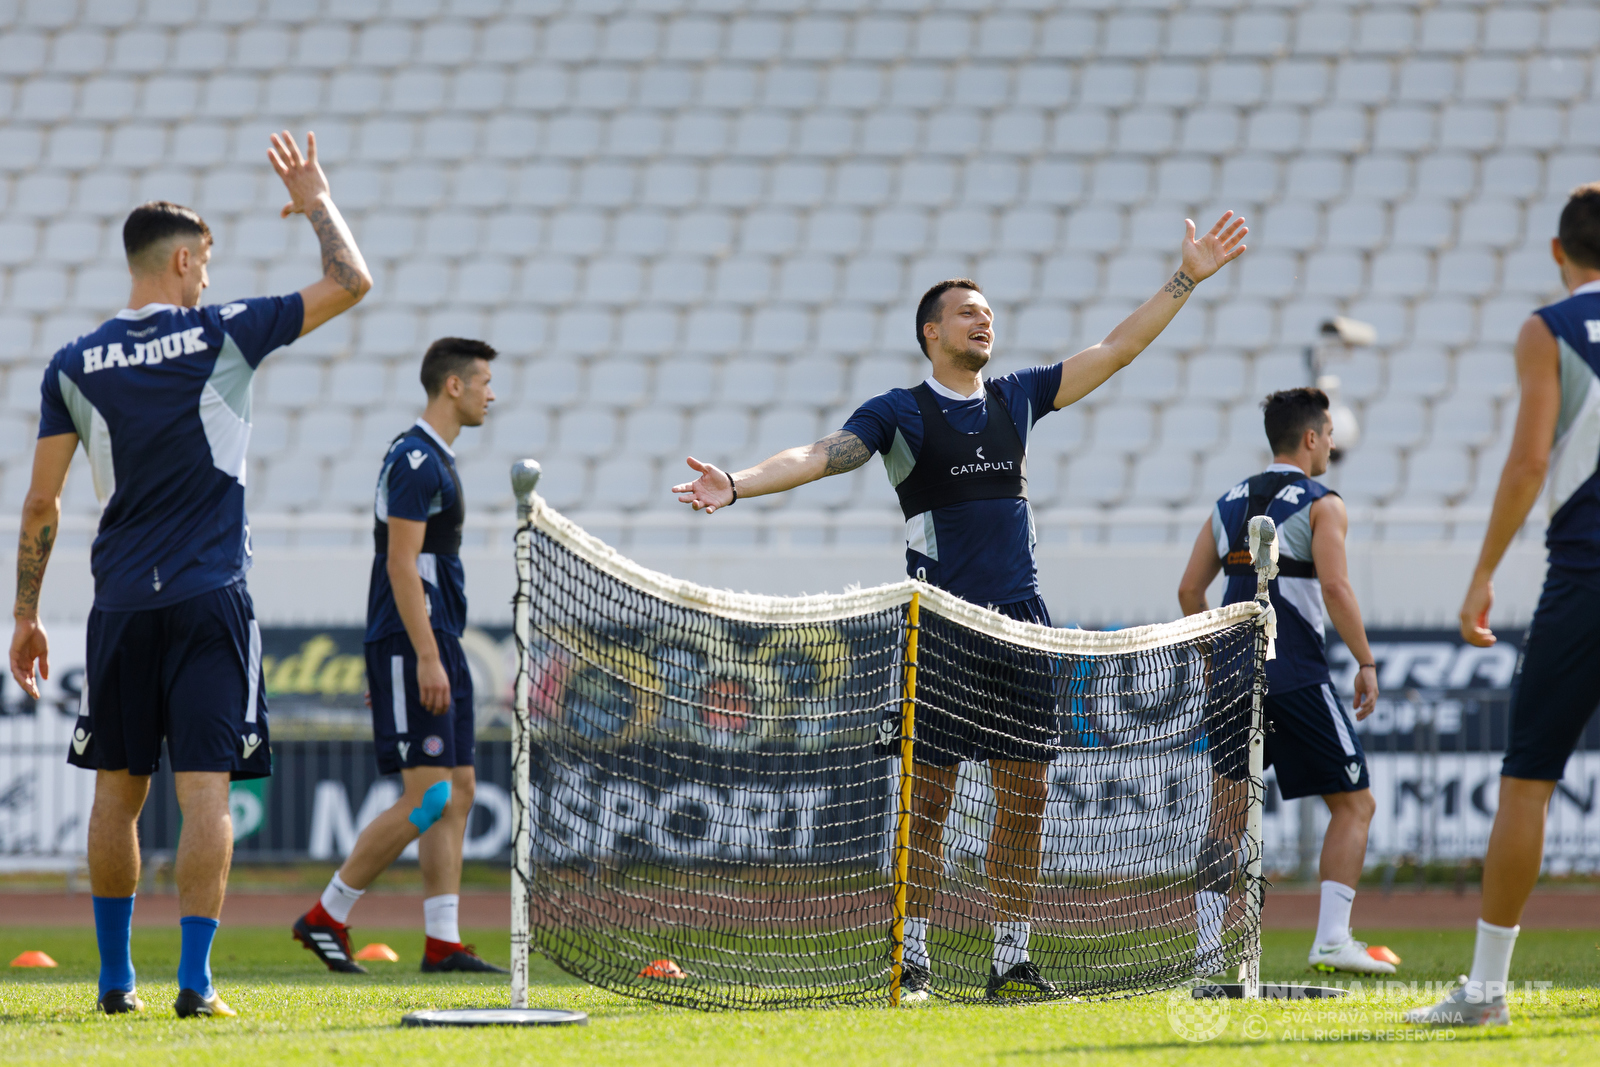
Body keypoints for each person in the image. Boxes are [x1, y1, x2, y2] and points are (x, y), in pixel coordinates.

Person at [674, 212, 1247, 1000]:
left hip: (1021, 627)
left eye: (988, 312)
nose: (984, 320)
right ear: (931, 331)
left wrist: (1186, 278)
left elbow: (1115, 350)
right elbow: (819, 454)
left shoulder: (1016, 400)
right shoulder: (901, 411)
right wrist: (736, 481)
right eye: (967, 311)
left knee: (1026, 799)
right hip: (938, 631)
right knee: (929, 802)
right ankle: (913, 959)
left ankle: (1010, 959)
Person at [8, 132, 371, 1018]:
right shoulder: (223, 333)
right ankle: (197, 982)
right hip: (211, 594)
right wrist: (317, 201)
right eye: (204, 260)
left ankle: (113, 979)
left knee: (116, 792)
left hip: (121, 602)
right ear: (179, 259)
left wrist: (24, 611)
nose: (209, 275)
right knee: (204, 790)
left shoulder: (74, 364)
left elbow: (41, 506)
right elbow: (354, 281)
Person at [1408, 183, 1600, 1028]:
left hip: (1585, 575)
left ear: (1559, 253)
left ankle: (1485, 990)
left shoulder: (1548, 328)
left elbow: (1528, 464)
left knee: (1528, 781)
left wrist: (1483, 571)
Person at [293, 338, 504, 976]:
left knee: (459, 790)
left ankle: (442, 942)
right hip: (422, 643)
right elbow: (400, 563)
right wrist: (421, 656)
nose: (493, 394)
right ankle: (327, 915)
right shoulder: (415, 459)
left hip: (435, 640)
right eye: (485, 381)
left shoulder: (433, 459)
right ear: (453, 387)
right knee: (430, 798)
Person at [1177, 388, 1388, 978]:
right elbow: (1338, 589)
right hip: (1293, 673)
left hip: (1230, 676)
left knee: (1223, 815)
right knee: (1354, 803)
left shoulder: (1227, 502)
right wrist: (1366, 662)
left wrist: (1216, 655)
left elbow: (1190, 592)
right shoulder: (1323, 501)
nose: (1333, 445)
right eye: (1329, 434)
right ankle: (1332, 939)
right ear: (1312, 438)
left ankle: (1204, 952)